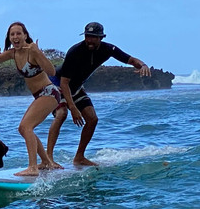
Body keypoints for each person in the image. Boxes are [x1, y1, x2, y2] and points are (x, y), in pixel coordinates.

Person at [45, 21, 151, 167]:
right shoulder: (75, 51)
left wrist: (143, 65)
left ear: (102, 37)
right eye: (87, 36)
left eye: (93, 37)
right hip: (57, 84)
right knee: (62, 114)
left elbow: (131, 60)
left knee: (92, 119)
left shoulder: (108, 49)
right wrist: (73, 108)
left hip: (75, 87)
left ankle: (79, 157)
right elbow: (64, 83)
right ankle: (48, 159)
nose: (89, 40)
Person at [0, 21, 69, 176]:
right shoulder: (13, 53)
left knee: (25, 127)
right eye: (12, 34)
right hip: (40, 95)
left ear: (25, 35)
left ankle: (32, 167)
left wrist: (38, 53)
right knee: (24, 129)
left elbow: (51, 71)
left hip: (49, 92)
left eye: (18, 33)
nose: (15, 37)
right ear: (9, 38)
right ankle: (45, 162)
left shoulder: (32, 52)